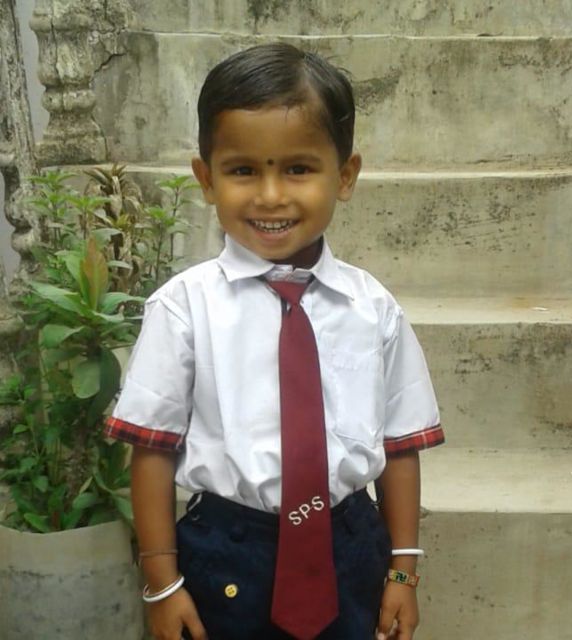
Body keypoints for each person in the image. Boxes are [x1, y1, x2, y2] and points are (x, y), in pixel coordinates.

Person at [105, 43, 444, 640]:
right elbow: (153, 451)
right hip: (226, 552)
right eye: (242, 171)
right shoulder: (184, 308)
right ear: (206, 179)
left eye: (298, 169)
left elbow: (398, 448)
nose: (269, 195)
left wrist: (403, 571)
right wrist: (162, 582)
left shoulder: (373, 309)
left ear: (345, 175)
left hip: (350, 547)